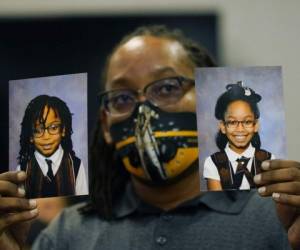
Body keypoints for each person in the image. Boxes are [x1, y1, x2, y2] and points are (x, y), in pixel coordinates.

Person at [0, 25, 300, 250]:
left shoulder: (280, 216)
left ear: (211, 102)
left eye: (167, 88)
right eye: (121, 98)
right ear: (106, 126)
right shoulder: (67, 234)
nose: (143, 109)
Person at [203, 81, 275, 191]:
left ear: (255, 125)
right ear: (223, 126)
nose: (240, 129)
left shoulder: (269, 160)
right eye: (232, 122)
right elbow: (217, 202)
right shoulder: (212, 162)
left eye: (247, 122)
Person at [17, 95, 88, 198]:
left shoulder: (76, 166)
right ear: (31, 136)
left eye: (54, 127)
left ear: (63, 130)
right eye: (38, 130)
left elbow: (82, 205)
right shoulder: (22, 169)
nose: (46, 137)